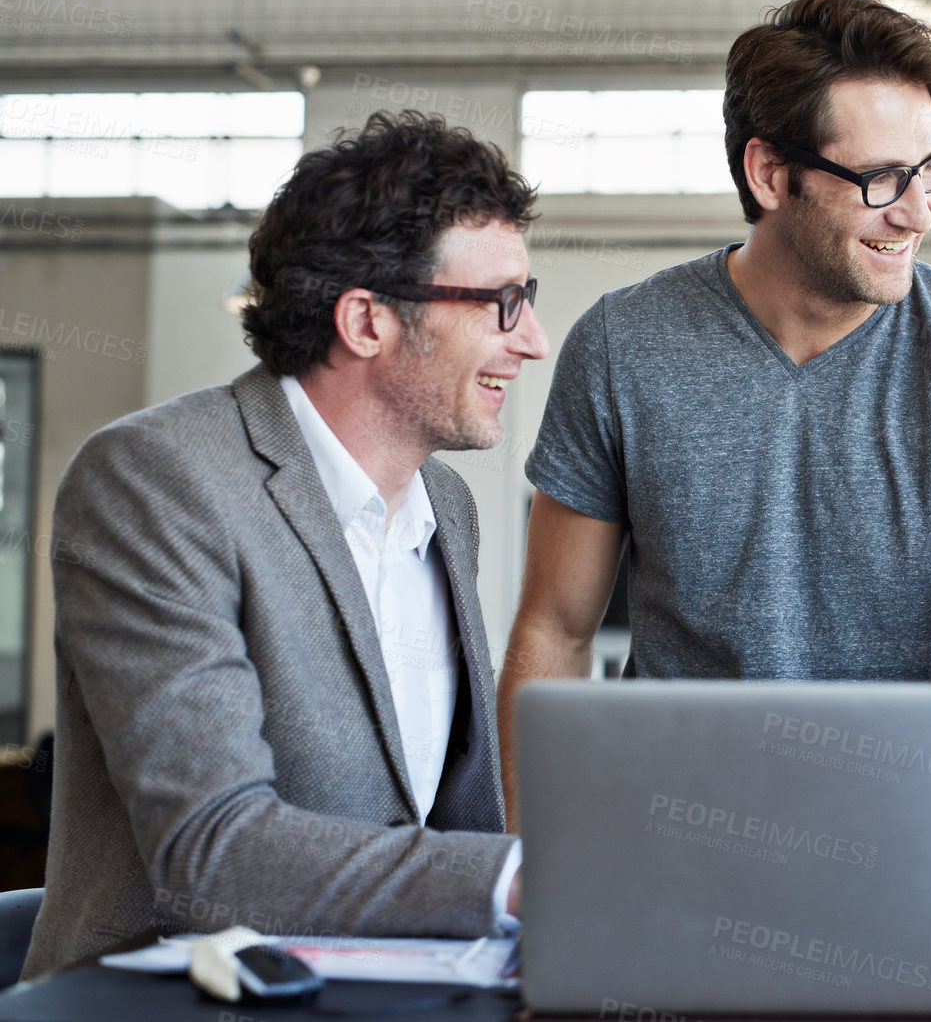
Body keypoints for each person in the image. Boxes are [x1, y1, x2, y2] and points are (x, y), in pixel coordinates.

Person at [498, 0, 931, 894]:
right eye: (881, 179)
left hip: (910, 851)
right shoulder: (623, 345)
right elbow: (553, 627)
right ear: (771, 175)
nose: (919, 213)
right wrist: (535, 867)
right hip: (668, 849)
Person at [23, 111, 549, 977]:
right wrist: (526, 877)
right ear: (366, 321)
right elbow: (213, 850)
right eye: (502, 304)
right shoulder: (156, 480)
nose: (528, 339)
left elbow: (443, 820)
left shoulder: (443, 505)